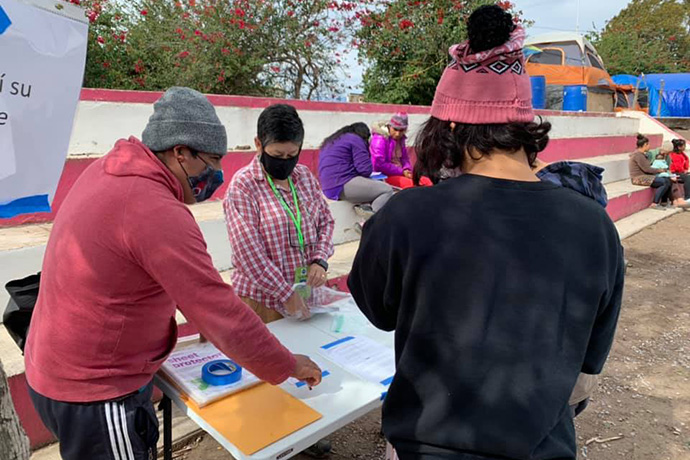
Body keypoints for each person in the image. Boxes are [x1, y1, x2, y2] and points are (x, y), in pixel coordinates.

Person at [348, 6, 625, 460]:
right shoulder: (595, 226)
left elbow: (380, 311)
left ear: (450, 125)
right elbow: (589, 360)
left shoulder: (406, 215)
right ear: (525, 130)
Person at [24, 88, 322, 460]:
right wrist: (286, 364)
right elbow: (216, 310)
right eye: (211, 161)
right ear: (180, 152)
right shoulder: (154, 209)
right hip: (97, 388)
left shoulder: (109, 170)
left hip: (56, 367)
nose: (215, 174)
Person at [224, 104, 335, 322]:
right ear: (259, 144)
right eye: (277, 154)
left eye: (292, 154)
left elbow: (326, 222)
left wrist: (319, 260)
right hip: (262, 302)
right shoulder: (244, 186)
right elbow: (248, 253)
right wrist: (285, 294)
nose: (285, 161)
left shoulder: (303, 177)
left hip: (304, 296)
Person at [318, 122, 395, 213]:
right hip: (341, 184)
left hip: (328, 186)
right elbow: (365, 169)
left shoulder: (334, 140)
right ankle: (373, 222)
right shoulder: (356, 139)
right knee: (386, 190)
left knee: (374, 187)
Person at [371, 113, 433, 189]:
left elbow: (404, 158)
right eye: (395, 129)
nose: (398, 134)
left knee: (427, 182)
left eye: (401, 130)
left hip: (400, 173)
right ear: (390, 126)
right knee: (412, 186)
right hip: (385, 175)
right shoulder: (380, 139)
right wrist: (401, 172)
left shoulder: (401, 139)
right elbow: (379, 165)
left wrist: (407, 169)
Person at [629, 134, 679, 209]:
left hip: (645, 176)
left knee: (667, 180)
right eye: (648, 144)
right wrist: (660, 170)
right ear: (645, 145)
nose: (649, 146)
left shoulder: (641, 155)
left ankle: (664, 202)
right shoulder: (638, 155)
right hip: (638, 178)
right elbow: (647, 169)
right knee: (664, 182)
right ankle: (655, 203)